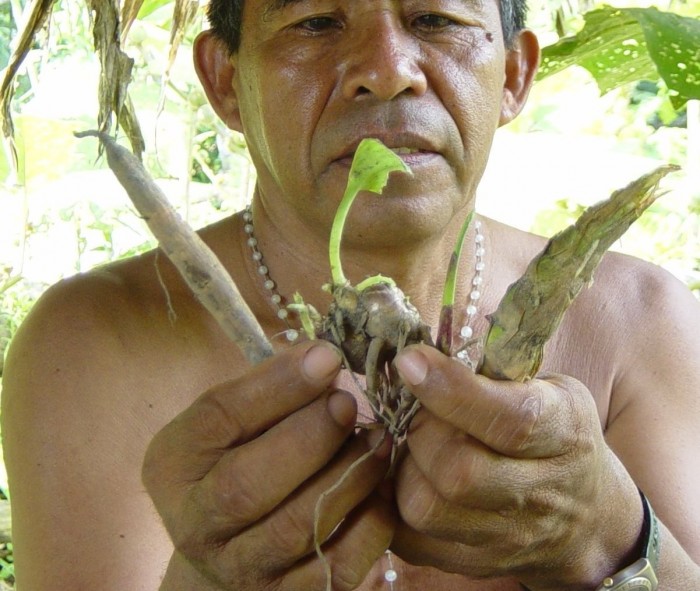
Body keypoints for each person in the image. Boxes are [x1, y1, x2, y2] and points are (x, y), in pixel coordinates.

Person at [3, 0, 699, 589]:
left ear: (514, 74)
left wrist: (609, 534)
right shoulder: (93, 345)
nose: (387, 70)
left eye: (434, 17)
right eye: (315, 22)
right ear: (223, 81)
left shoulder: (643, 325)